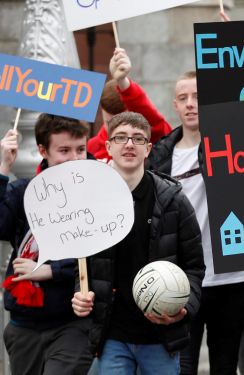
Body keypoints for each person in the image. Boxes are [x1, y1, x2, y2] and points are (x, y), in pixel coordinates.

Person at [71, 111, 204, 374]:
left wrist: (185, 309)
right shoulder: (90, 203)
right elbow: (83, 263)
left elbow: (195, 268)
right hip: (112, 336)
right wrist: (80, 293)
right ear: (108, 146)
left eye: (138, 139)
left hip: (161, 337)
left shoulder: (174, 201)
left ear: (148, 149)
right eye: (120, 138)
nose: (129, 144)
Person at [146, 70, 244, 375]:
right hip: (181, 281)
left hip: (231, 278)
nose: (191, 104)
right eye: (183, 98)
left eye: (198, 97)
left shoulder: (231, 143)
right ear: (175, 106)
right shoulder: (162, 153)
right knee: (183, 366)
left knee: (225, 366)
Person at [0, 115, 93, 374]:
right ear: (43, 151)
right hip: (23, 325)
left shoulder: (97, 195)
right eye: (64, 150)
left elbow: (101, 258)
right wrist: (3, 169)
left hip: (71, 324)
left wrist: (51, 270)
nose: (74, 158)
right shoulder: (22, 192)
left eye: (80, 149)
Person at [88, 47, 172, 160]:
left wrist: (123, 82)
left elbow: (155, 123)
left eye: (122, 124)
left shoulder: (153, 140)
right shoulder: (90, 148)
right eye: (109, 124)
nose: (116, 132)